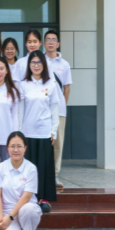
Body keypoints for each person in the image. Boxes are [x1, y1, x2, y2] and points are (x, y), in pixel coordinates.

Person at [18, 50, 58, 213]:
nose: (36, 65)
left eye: (39, 62)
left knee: (44, 167)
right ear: (29, 65)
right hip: (27, 132)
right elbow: (20, 110)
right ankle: (29, 198)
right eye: (33, 62)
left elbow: (54, 108)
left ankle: (44, 199)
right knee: (28, 167)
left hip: (44, 132)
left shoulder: (50, 84)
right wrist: (19, 131)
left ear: (44, 65)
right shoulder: (23, 84)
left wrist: (54, 130)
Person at [0, 132, 42, 230]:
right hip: (7, 213)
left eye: (19, 146)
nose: (16, 150)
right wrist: (2, 220)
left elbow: (26, 197)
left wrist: (10, 217)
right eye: (12, 146)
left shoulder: (31, 168)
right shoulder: (0, 168)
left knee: (28, 209)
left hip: (25, 210)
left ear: (25, 148)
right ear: (7, 148)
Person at [43, 30, 72, 189]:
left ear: (58, 44)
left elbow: (66, 88)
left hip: (59, 111)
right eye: (48, 39)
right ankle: (41, 173)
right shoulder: (39, 61)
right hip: (42, 109)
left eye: (53, 39)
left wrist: (62, 105)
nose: (51, 42)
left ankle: (54, 174)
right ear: (44, 43)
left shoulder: (64, 64)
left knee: (57, 144)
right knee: (43, 142)